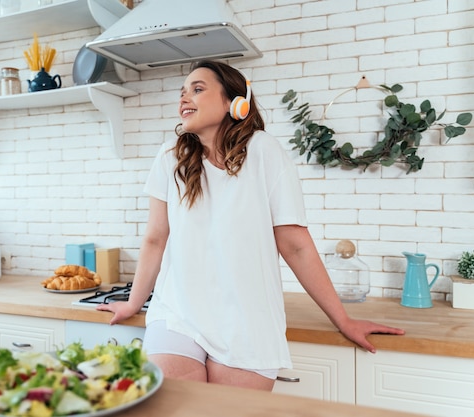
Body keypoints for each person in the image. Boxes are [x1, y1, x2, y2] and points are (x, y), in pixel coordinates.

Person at [96, 60, 405, 391]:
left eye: (197, 89)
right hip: (177, 313)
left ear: (235, 102)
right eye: (182, 92)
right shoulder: (170, 157)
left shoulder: (263, 151)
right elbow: (156, 239)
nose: (184, 98)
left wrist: (342, 319)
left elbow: (295, 244)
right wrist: (133, 302)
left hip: (247, 321)